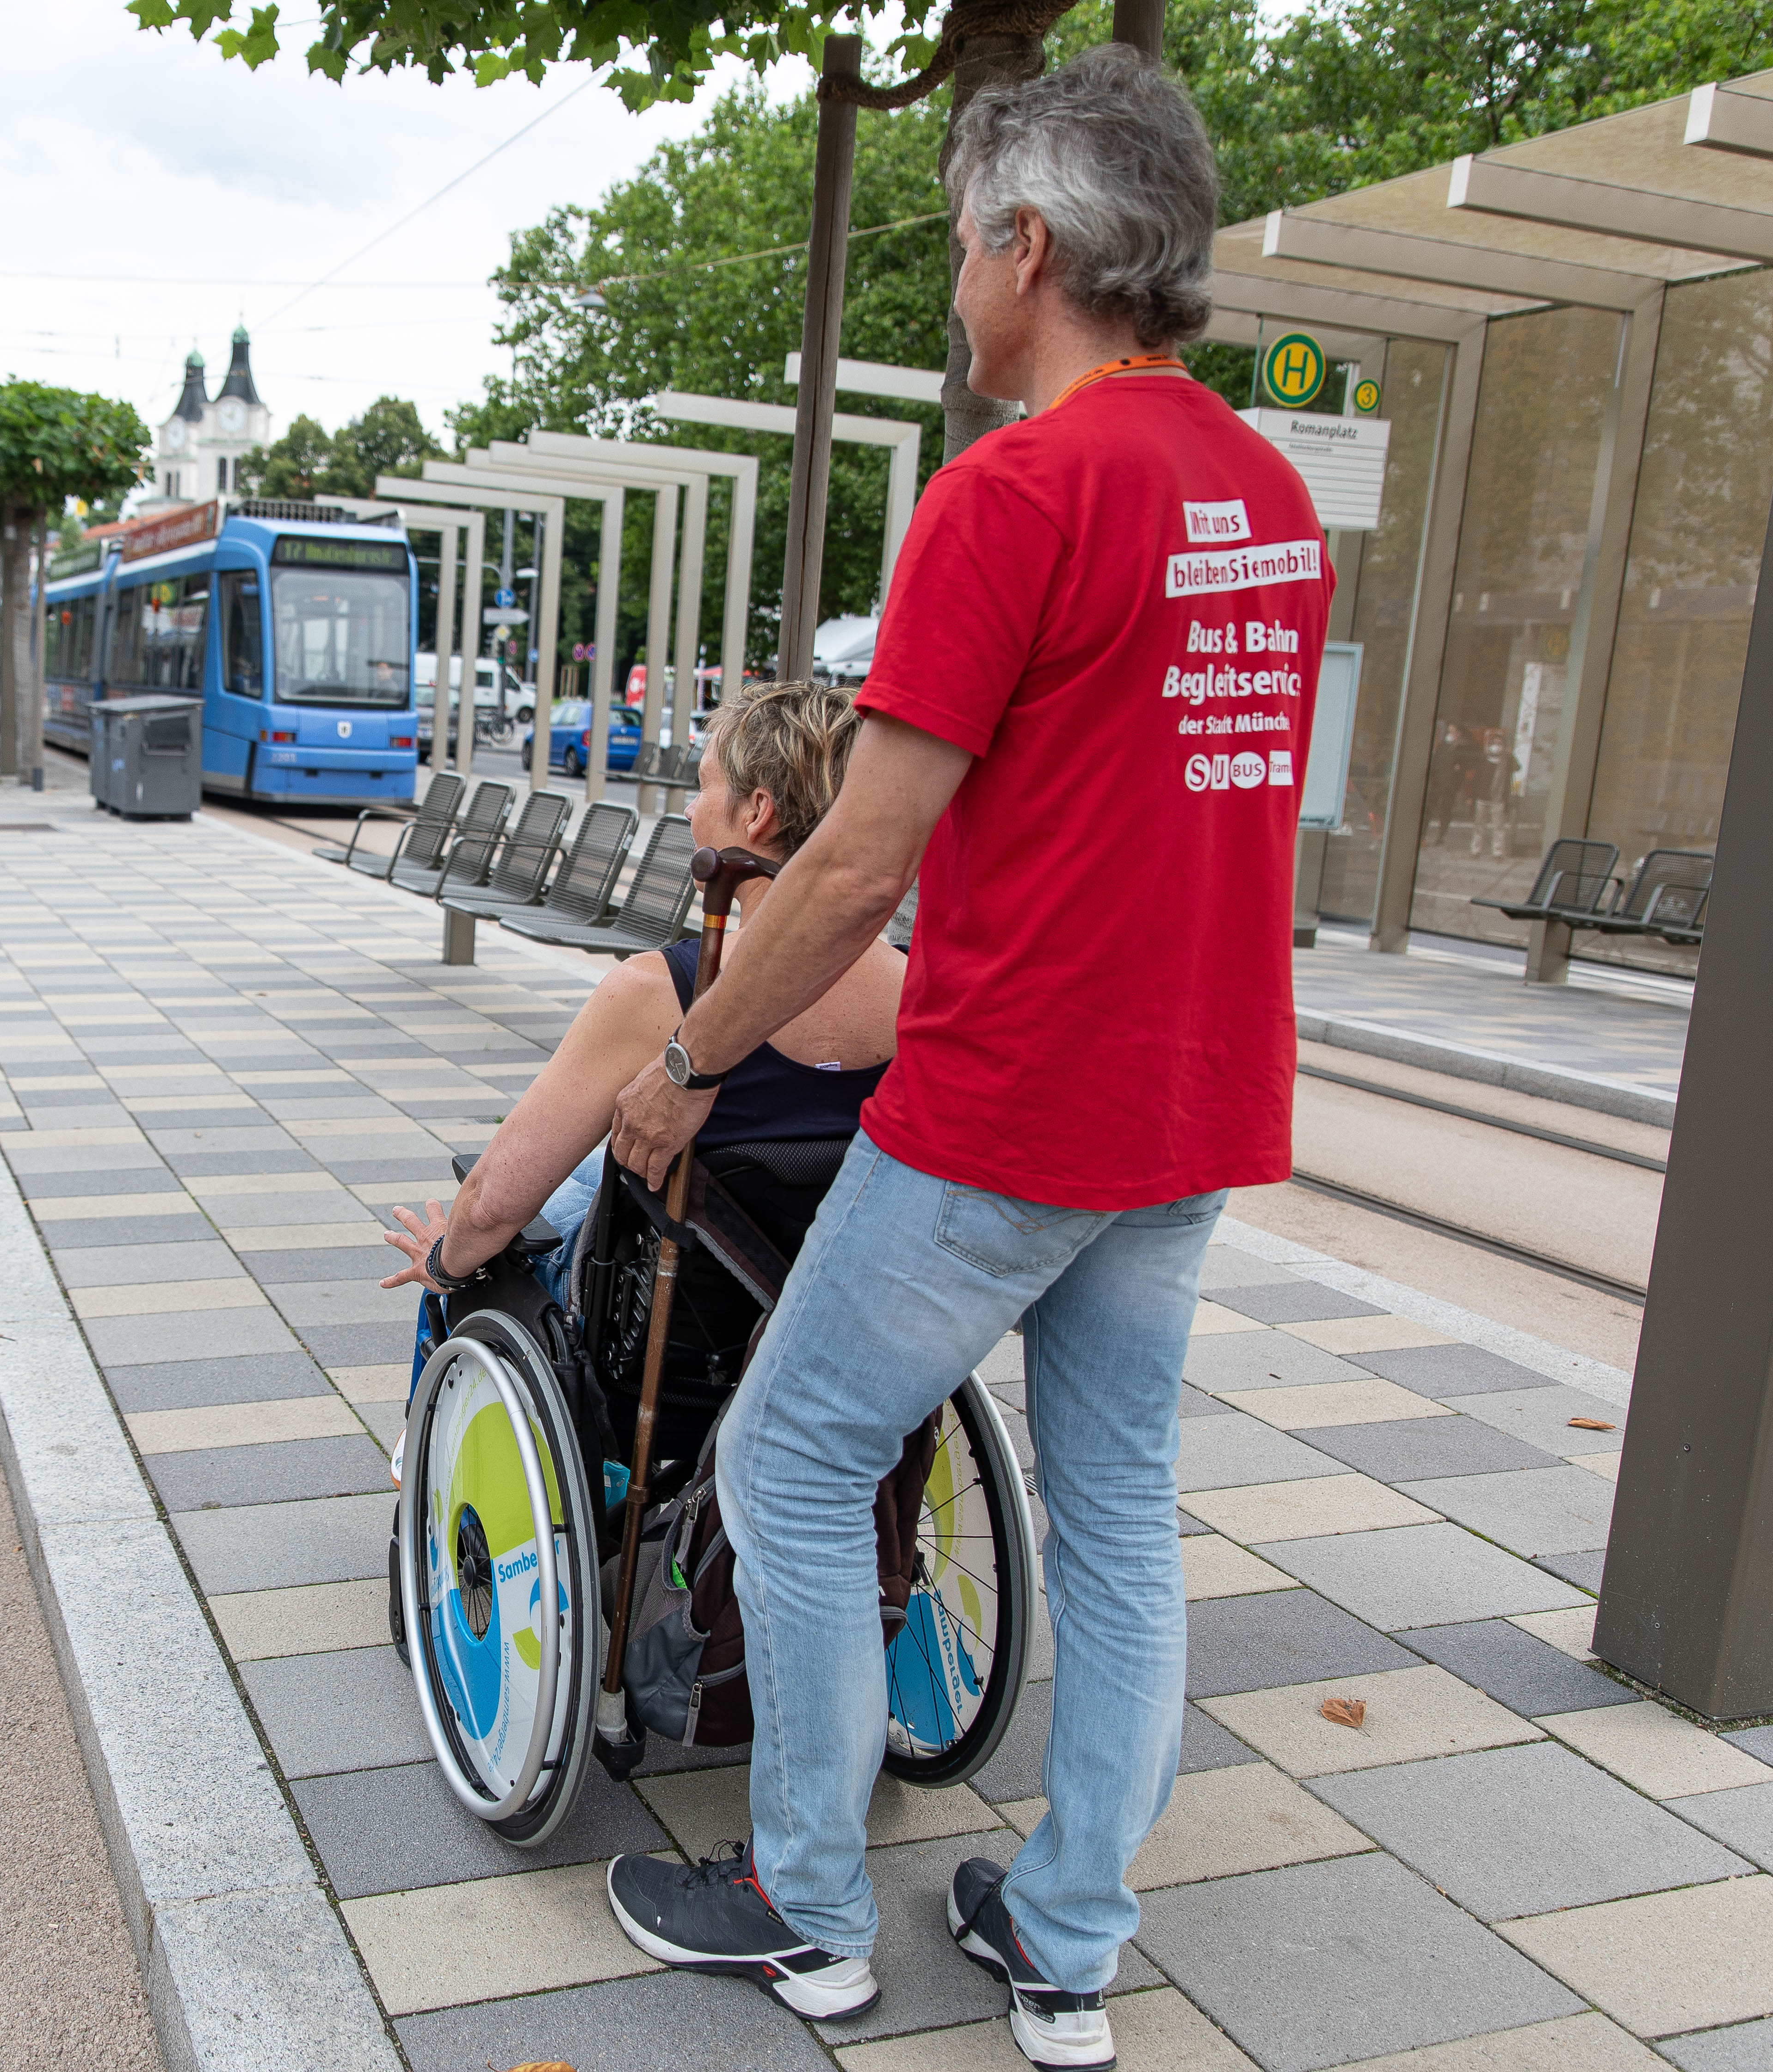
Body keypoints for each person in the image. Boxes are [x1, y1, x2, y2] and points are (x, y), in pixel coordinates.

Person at [595, 48, 1330, 2066]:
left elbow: (841, 874)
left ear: (1026, 244)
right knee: (1114, 1509)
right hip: (1186, 1107)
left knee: (793, 1449)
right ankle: (1065, 1936)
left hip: (1010, 1104)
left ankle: (806, 1913)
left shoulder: (1007, 495)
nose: (947, 280)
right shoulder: (1263, 495)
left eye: (954, 241)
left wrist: (680, 1059)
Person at [375, 681, 899, 1331]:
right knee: (591, 1173)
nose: (688, 811)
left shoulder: (659, 994)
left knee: (459, 1271)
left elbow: (491, 1206)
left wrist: (446, 1263)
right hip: (841, 1310)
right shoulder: (918, 994)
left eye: (704, 787)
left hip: (667, 1331)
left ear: (757, 811)